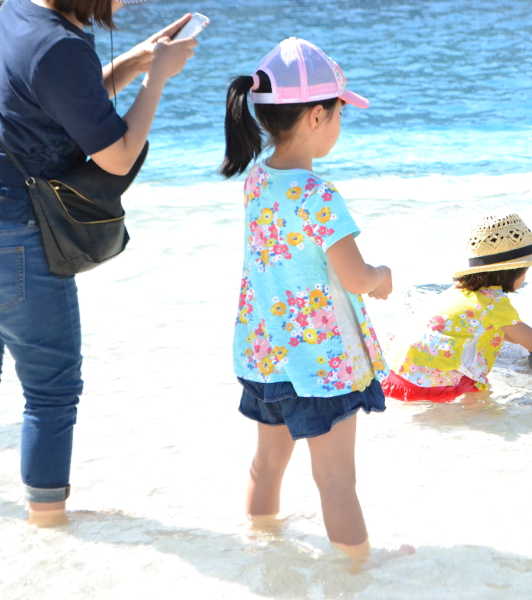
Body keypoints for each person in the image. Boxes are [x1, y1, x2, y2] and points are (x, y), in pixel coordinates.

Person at [0, 0, 197, 526]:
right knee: (51, 390)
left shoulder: (16, 11)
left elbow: (60, 102)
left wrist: (136, 60)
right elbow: (117, 154)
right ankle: (48, 524)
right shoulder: (61, 46)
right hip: (18, 235)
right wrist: (157, 79)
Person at [221, 38, 411, 570]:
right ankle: (356, 573)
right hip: (318, 366)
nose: (341, 124)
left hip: (264, 355)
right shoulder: (318, 195)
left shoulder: (256, 178)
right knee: (335, 482)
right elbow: (354, 276)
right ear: (315, 115)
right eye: (340, 113)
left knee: (267, 466)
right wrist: (383, 278)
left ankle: (265, 555)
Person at [382, 212, 532, 403]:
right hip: (428, 381)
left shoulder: (461, 291)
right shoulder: (493, 303)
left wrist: (527, 335)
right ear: (510, 272)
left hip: (397, 370)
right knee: (480, 395)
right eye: (525, 271)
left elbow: (485, 328)